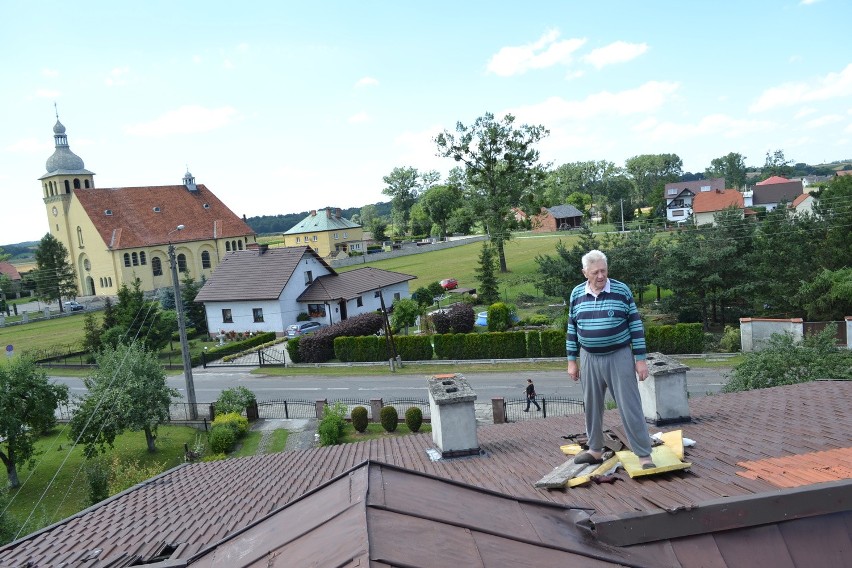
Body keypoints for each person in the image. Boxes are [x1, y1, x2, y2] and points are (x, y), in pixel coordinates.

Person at [566, 249, 655, 469]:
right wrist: (571, 361)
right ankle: (595, 450)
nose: (600, 276)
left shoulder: (621, 290)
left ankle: (644, 454)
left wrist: (640, 358)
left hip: (619, 355)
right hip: (589, 357)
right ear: (585, 272)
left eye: (603, 271)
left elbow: (635, 325)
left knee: (629, 405)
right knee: (592, 406)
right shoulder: (576, 294)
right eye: (595, 272)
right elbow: (571, 328)